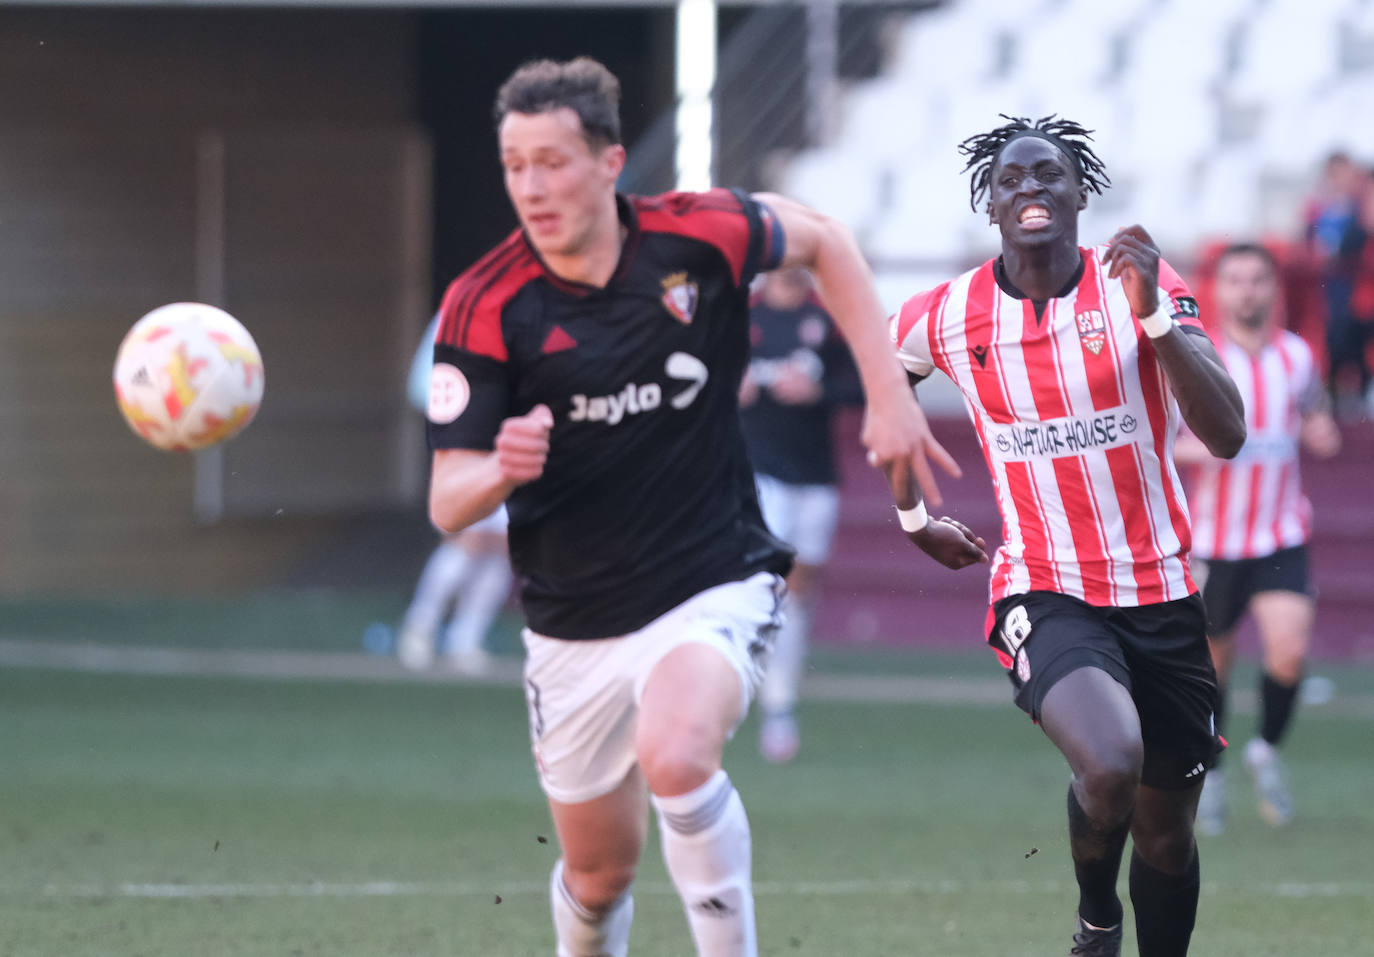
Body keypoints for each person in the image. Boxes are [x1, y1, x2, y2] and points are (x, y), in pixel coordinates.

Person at [424, 57, 957, 957]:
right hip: (572, 616)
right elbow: (449, 500)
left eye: (552, 161)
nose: (532, 186)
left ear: (610, 162)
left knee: (676, 754)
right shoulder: (484, 301)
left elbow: (826, 239)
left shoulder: (697, 234)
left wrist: (888, 394)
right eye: (515, 165)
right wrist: (500, 469)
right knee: (599, 875)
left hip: (712, 572)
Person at [889, 115, 1246, 957]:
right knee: (1111, 759)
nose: (1030, 188)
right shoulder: (947, 313)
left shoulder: (1138, 287)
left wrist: (1154, 319)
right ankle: (1096, 921)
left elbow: (1227, 432)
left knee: (1165, 835)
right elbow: (884, 388)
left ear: (1081, 192)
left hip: (1162, 593)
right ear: (990, 205)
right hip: (1044, 586)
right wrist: (912, 517)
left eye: (1048, 173)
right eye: (1010, 179)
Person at [1176, 243, 1342, 835]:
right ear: (1217, 291)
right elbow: (1160, 438)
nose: (1247, 290)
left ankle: (1265, 750)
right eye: (1235, 280)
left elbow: (1313, 409)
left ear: (1273, 289)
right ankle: (1213, 776)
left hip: (1280, 534)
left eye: (1257, 280)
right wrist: (1195, 450)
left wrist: (1320, 428)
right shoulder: (1199, 359)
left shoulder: (1296, 356)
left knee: (1289, 653)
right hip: (1215, 542)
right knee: (1213, 671)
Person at [738, 267, 862, 763]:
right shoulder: (739, 313)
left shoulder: (826, 317)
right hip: (759, 470)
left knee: (799, 589)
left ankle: (779, 692)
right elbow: (692, 373)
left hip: (815, 475)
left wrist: (820, 391)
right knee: (769, 583)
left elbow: (864, 383)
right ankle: (766, 700)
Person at [396, 314, 513, 674]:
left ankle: (466, 639)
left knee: (504, 545)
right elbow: (422, 388)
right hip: (470, 443)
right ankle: (419, 629)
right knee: (467, 540)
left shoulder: (532, 308)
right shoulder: (458, 312)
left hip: (515, 443)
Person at [1302, 151, 1371, 417]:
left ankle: (1359, 397)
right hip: (1331, 290)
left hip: (1356, 290)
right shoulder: (1318, 209)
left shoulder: (1359, 207)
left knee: (1357, 343)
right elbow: (1308, 242)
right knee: (1335, 341)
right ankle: (1333, 400)